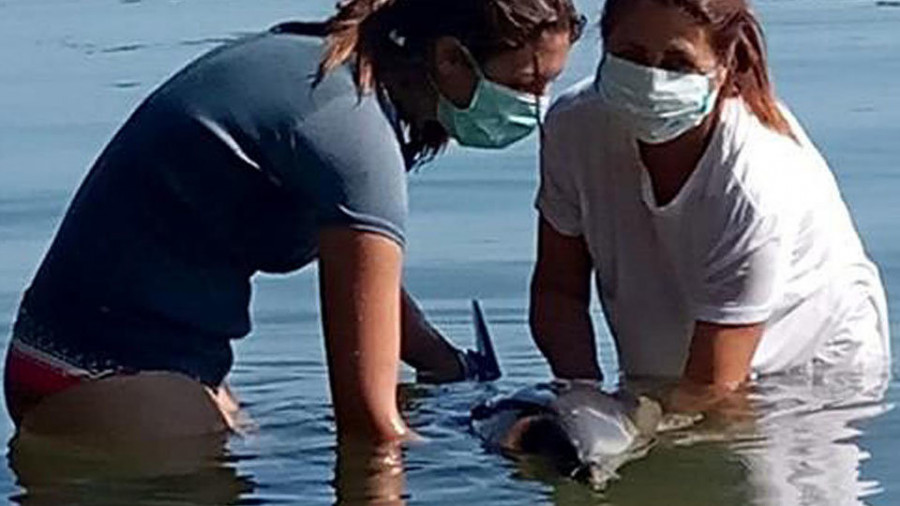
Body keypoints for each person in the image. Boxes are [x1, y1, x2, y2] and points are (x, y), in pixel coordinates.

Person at [4, 0, 584, 443]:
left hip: (86, 360)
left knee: (261, 452)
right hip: (112, 380)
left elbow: (366, 284)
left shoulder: (325, 77)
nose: (539, 104)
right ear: (451, 58)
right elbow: (370, 427)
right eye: (527, 83)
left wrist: (445, 365)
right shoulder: (355, 133)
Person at [530, 0, 890, 405]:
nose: (651, 80)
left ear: (724, 65)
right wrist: (582, 399)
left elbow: (714, 387)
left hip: (804, 380)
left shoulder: (755, 182)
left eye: (677, 63)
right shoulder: (574, 128)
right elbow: (558, 291)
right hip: (675, 349)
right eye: (631, 57)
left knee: (719, 433)